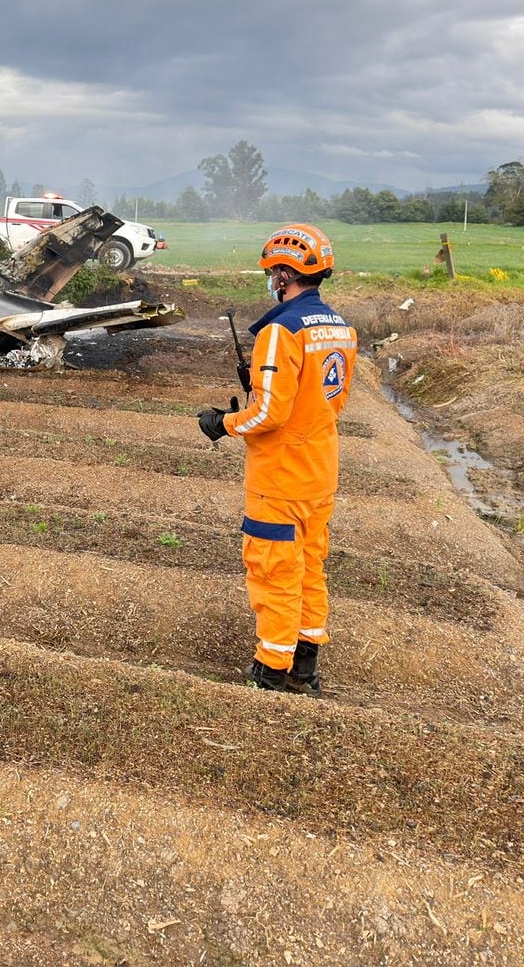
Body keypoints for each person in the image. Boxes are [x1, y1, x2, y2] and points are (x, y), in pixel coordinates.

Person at [196, 224, 358, 697]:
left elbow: (269, 413)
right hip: (319, 472)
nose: (271, 280)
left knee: (273, 571)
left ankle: (270, 670)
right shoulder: (341, 328)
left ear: (286, 274)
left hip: (280, 479)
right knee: (309, 566)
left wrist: (223, 423)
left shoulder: (279, 331)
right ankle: (305, 665)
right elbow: (331, 400)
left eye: (273, 272)